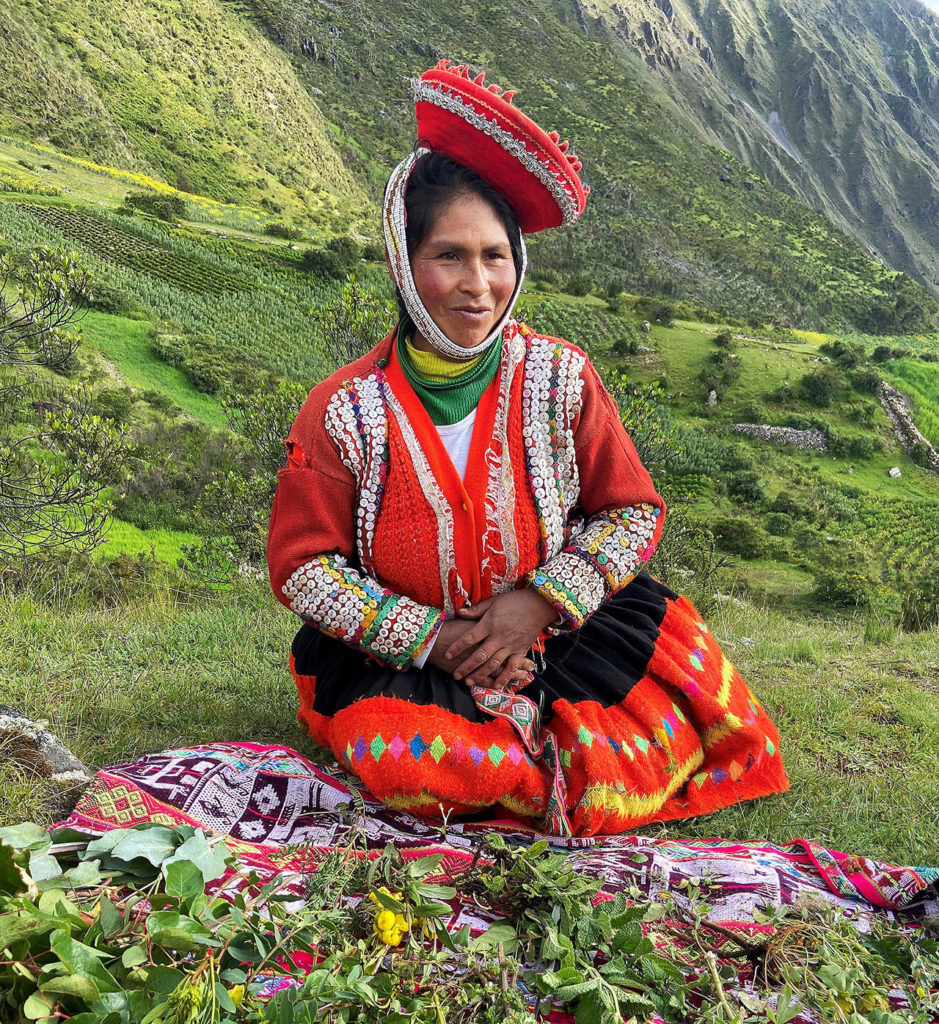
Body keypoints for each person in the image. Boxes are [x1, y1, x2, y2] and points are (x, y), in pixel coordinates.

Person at [267, 60, 788, 836]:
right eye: (448, 255)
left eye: (494, 256)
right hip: (404, 649)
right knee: (422, 768)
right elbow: (305, 570)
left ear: (518, 264)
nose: (476, 283)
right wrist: (434, 638)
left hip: (560, 621)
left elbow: (631, 514)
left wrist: (533, 604)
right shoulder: (344, 409)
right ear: (403, 265)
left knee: (644, 745)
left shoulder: (560, 377)